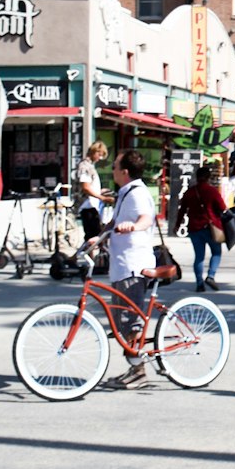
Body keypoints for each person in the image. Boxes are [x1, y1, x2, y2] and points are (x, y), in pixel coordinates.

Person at [98, 150, 157, 390]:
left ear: (124, 172)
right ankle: (133, 367)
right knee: (121, 322)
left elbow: (146, 219)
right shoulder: (125, 193)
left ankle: (139, 371)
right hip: (122, 266)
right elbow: (113, 224)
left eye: (114, 167)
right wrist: (99, 237)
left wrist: (132, 227)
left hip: (133, 266)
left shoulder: (137, 193)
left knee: (130, 322)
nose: (112, 171)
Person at [177, 163, 228, 293]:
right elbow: (222, 208)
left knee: (199, 256)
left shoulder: (190, 192)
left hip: (194, 228)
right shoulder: (212, 191)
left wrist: (177, 225)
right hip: (211, 227)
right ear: (208, 177)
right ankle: (210, 276)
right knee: (216, 252)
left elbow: (182, 210)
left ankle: (199, 283)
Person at [76, 140, 113, 243]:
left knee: (92, 235)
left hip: (92, 204)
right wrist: (103, 198)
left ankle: (86, 257)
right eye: (99, 155)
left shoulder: (90, 166)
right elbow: (86, 187)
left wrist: (100, 191)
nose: (99, 158)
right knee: (94, 236)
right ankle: (82, 257)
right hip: (87, 205)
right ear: (94, 152)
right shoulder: (85, 166)